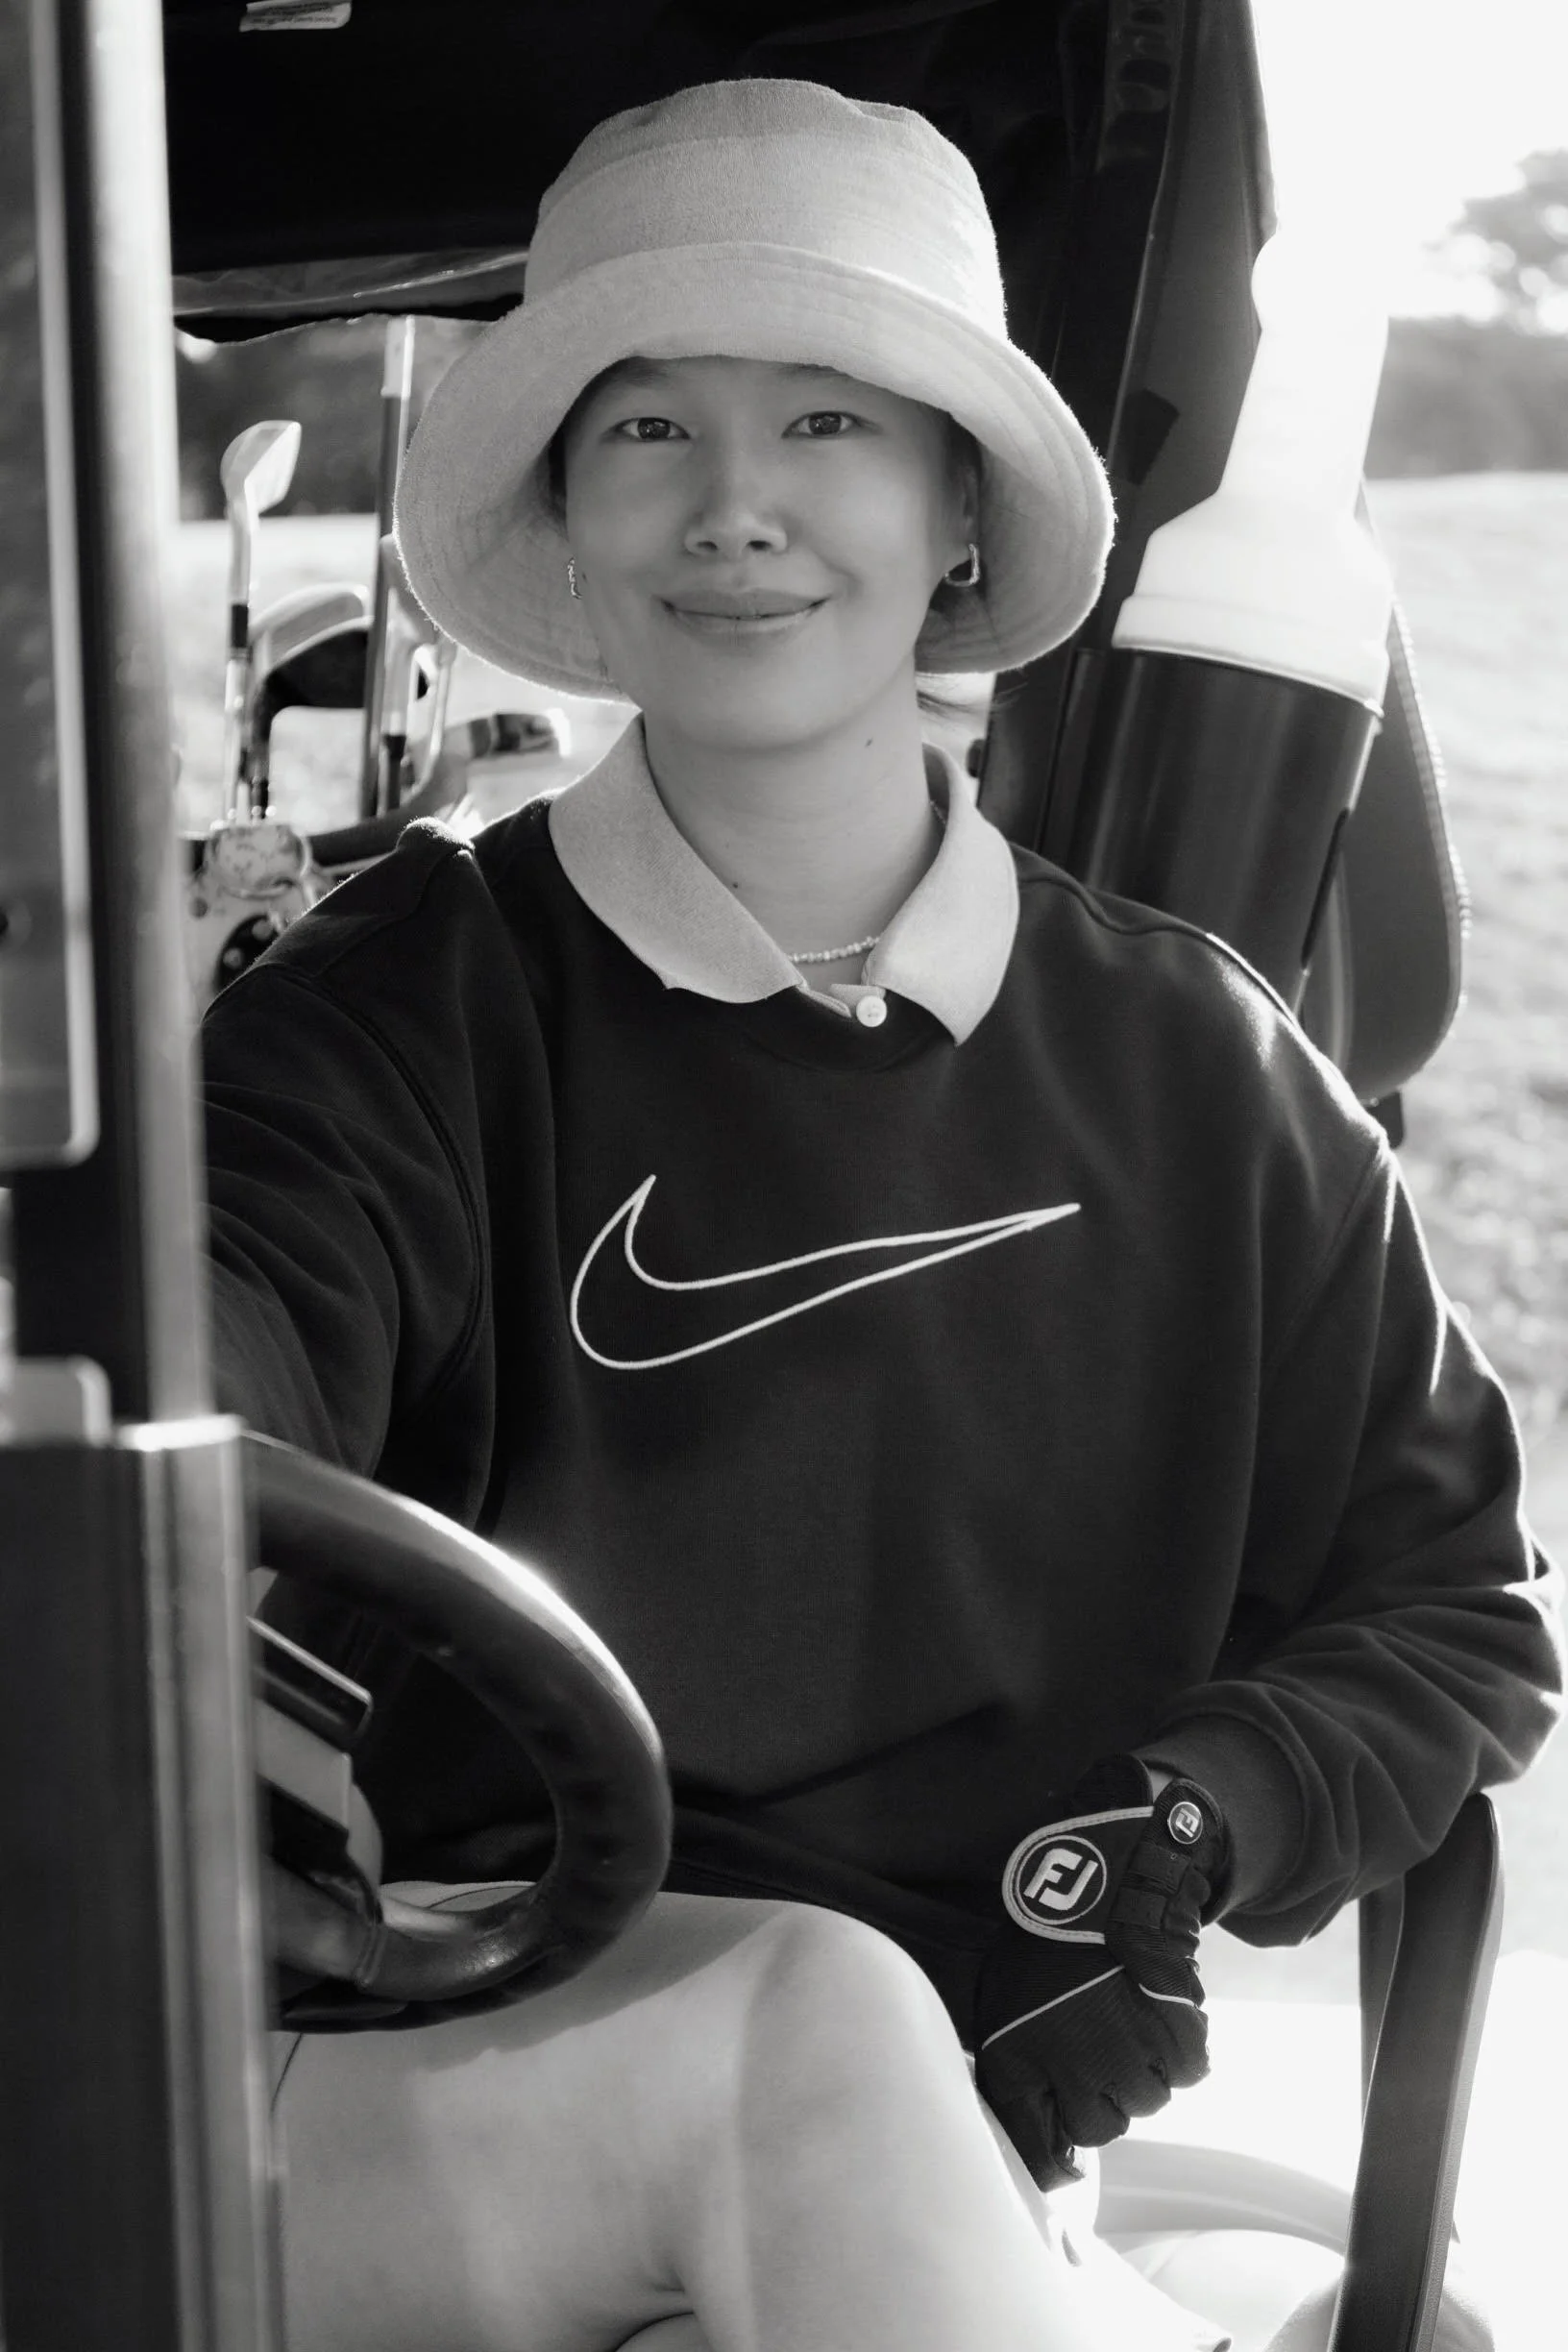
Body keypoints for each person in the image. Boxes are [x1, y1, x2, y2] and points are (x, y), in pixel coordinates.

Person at [203, 78, 1561, 2351]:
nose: (737, 509)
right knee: (806, 2013)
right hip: (432, 2069)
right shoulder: (390, 1024)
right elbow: (211, 1342)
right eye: (647, 429)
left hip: (961, 2148)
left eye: (826, 417)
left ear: (954, 505)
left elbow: (1453, 1609)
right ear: (565, 498)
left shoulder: (1207, 1073)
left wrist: (1187, 1823)